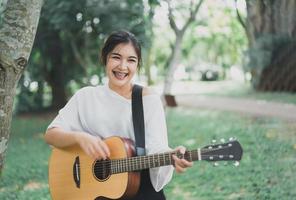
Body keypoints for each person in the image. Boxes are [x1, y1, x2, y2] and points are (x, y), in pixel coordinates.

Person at [44, 30, 193, 200]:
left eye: (131, 60)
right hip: (95, 193)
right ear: (105, 58)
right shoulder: (85, 96)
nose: (123, 66)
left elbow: (157, 145)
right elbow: (51, 135)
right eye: (116, 57)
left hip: (140, 191)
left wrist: (172, 155)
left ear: (137, 65)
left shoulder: (147, 99)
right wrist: (80, 138)